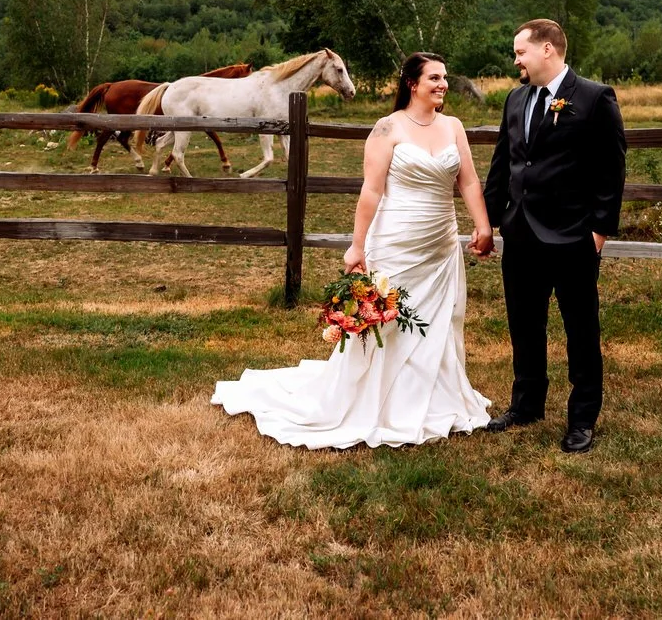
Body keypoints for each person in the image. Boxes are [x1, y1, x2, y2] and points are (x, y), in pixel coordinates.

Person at [211, 53, 494, 448]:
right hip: (396, 240)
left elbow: (467, 182)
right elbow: (372, 190)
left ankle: (434, 397)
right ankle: (376, 401)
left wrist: (483, 225)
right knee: (390, 319)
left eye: (444, 77)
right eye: (434, 77)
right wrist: (356, 246)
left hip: (440, 242)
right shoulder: (387, 128)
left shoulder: (453, 127)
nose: (443, 84)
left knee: (439, 321)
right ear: (413, 84)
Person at [482, 19, 626, 453]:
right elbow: (503, 164)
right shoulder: (515, 99)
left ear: (548, 50)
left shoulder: (594, 98)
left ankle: (582, 418)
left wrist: (600, 231)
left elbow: (611, 168)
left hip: (572, 236)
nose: (515, 60)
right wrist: (488, 222)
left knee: (580, 330)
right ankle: (526, 405)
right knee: (524, 325)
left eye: (520, 52)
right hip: (520, 232)